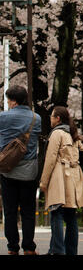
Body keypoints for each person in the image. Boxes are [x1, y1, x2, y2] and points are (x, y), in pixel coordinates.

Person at [40, 106, 83, 255]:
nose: (50, 118)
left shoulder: (57, 134)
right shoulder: (73, 134)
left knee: (56, 213)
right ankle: (70, 251)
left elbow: (50, 160)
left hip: (59, 177)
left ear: (58, 119)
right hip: (74, 178)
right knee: (71, 216)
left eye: (52, 116)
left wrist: (44, 182)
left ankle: (57, 250)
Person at [0, 85, 42, 255]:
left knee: (9, 211)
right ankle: (29, 247)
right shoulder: (36, 118)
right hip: (29, 172)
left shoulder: (2, 117)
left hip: (7, 169)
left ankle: (12, 247)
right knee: (28, 211)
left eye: (9, 100)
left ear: (14, 100)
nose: (8, 103)